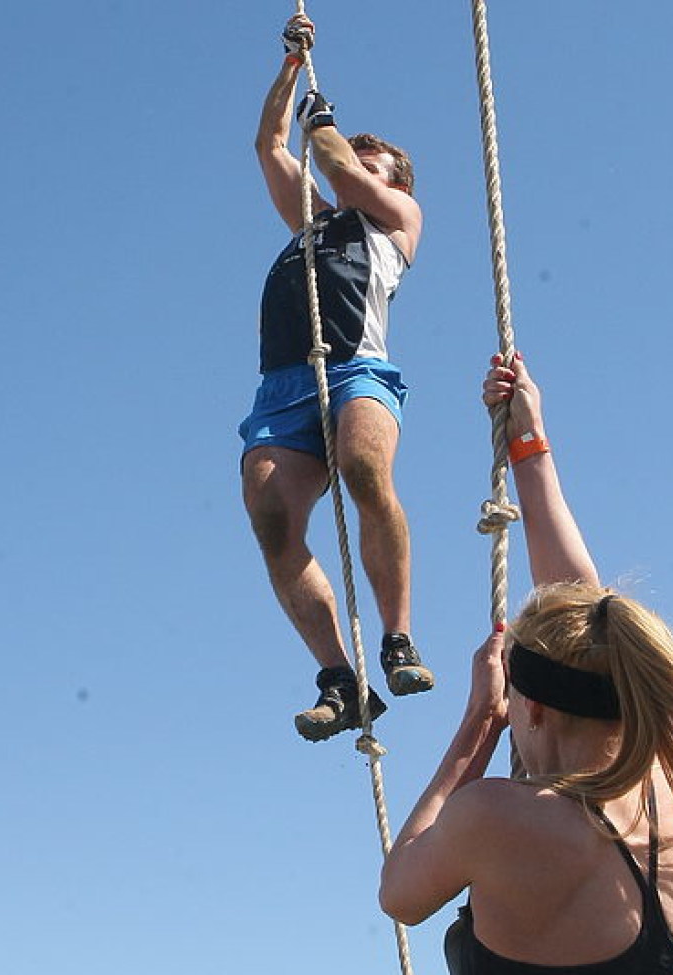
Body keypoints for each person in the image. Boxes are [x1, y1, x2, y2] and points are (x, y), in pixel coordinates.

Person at [378, 352, 673, 972]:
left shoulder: (496, 818)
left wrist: (479, 725)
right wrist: (529, 448)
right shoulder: (662, 788)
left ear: (531, 708)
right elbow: (588, 622)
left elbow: (400, 894)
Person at [241, 14, 433, 743]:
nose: (356, 160)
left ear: (395, 181)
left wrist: (332, 136)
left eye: (371, 158)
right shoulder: (312, 220)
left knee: (361, 466)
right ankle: (339, 678)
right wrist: (292, 69)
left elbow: (339, 168)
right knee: (270, 518)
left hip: (357, 370)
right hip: (282, 389)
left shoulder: (395, 220)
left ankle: (398, 637)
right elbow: (269, 146)